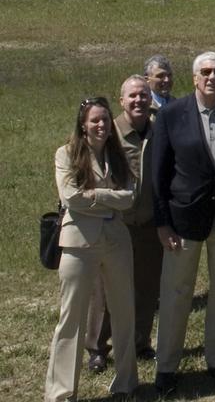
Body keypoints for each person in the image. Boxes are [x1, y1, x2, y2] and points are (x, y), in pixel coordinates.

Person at [149, 51, 215, 396]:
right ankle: (167, 366)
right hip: (182, 219)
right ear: (193, 78)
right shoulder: (171, 115)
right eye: (205, 71)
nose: (211, 77)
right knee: (177, 292)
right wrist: (162, 222)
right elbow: (157, 174)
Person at [45, 97, 139, 402]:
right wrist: (109, 198)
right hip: (77, 243)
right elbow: (70, 198)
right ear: (83, 125)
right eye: (94, 120)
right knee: (70, 318)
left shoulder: (120, 154)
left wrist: (95, 196)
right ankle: (61, 393)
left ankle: (126, 383)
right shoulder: (66, 153)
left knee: (124, 312)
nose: (101, 125)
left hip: (116, 241)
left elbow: (130, 197)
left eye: (105, 120)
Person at [84, 76, 161, 370]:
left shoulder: (158, 130)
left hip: (150, 222)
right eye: (132, 96)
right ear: (121, 101)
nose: (139, 100)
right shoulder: (110, 131)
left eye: (143, 95)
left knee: (146, 287)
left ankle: (140, 343)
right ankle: (98, 349)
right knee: (105, 289)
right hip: (117, 223)